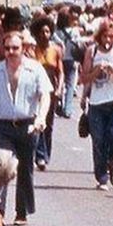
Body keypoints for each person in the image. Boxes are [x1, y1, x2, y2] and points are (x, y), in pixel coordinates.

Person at [0, 31, 51, 225]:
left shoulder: (35, 69)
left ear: (23, 48)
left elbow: (45, 95)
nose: (11, 52)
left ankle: (22, 212)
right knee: (1, 169)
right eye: (8, 48)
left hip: (28, 125)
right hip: (3, 126)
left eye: (15, 48)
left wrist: (41, 118)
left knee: (25, 169)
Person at [80, 18, 113, 190]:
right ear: (99, 37)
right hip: (97, 103)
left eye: (111, 36)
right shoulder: (92, 51)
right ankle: (102, 176)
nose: (108, 40)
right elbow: (83, 78)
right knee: (99, 140)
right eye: (105, 37)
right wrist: (96, 72)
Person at [31, 15, 64, 171]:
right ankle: (40, 155)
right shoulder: (31, 50)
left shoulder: (56, 50)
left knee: (48, 125)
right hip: (36, 91)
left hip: (51, 90)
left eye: (48, 31)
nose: (45, 35)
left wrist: (59, 89)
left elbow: (60, 72)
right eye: (42, 32)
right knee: (38, 120)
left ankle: (45, 153)